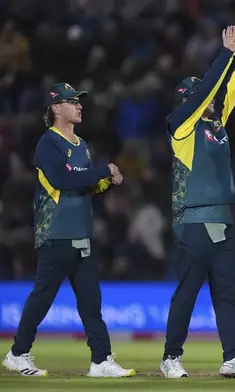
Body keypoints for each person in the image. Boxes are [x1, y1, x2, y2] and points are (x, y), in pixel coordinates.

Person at [2, 83, 134, 377]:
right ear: (55, 108)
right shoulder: (48, 144)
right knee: (43, 297)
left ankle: (101, 360)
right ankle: (17, 353)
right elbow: (62, 180)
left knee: (91, 301)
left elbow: (84, 185)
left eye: (79, 101)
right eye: (72, 102)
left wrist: (107, 181)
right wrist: (103, 169)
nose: (79, 106)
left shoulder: (82, 146)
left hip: (81, 233)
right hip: (56, 233)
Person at [159, 25, 235, 379]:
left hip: (223, 222)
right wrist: (226, 54)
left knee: (227, 294)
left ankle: (233, 356)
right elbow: (211, 88)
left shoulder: (216, 125)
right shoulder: (182, 127)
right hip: (195, 222)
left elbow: (229, 89)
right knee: (187, 292)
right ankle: (171, 356)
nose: (214, 102)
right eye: (205, 98)